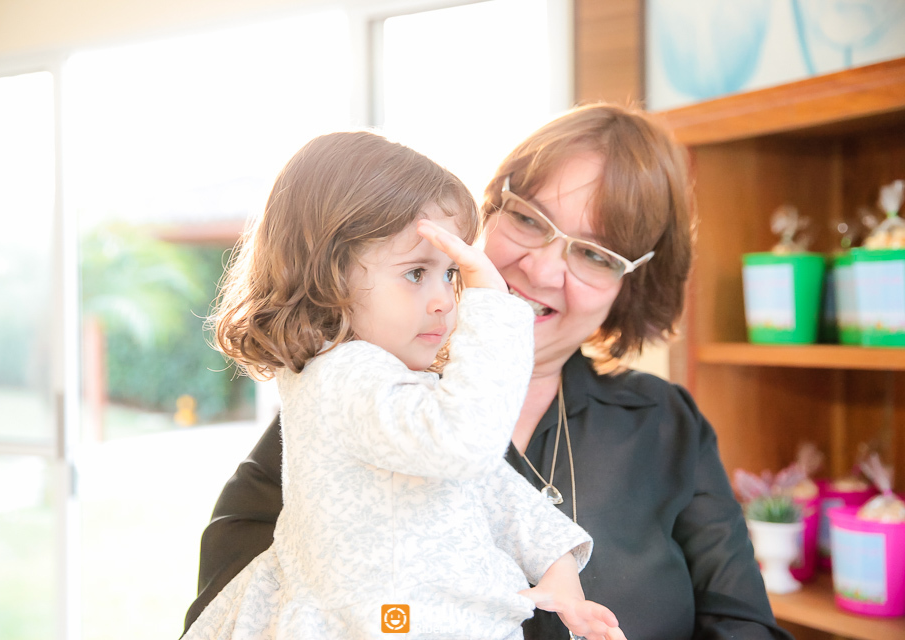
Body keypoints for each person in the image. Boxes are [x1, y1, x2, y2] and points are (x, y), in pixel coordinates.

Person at [184, 104, 794, 640]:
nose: (543, 270)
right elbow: (236, 608)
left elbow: (743, 624)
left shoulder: (667, 423)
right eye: (529, 219)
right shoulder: (345, 405)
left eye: (594, 253)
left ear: (630, 285)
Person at [183, 130, 626, 640]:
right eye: (416, 273)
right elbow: (467, 446)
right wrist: (493, 306)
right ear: (328, 276)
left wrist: (559, 572)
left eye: (451, 275)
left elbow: (489, 486)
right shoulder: (341, 378)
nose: (445, 300)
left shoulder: (398, 389)